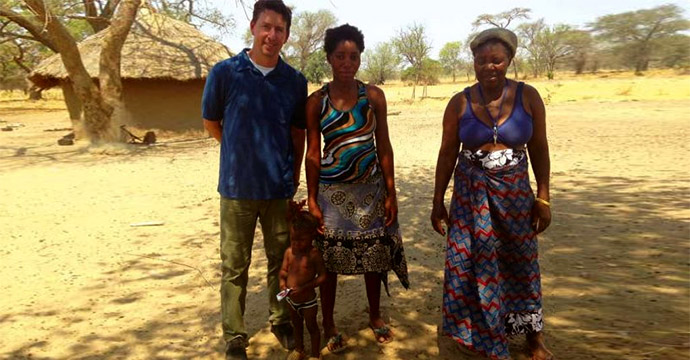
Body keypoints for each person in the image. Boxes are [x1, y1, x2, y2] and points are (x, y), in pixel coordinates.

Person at [430, 28, 554, 360]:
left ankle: (533, 338)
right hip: (471, 199)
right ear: (473, 63)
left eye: (497, 60)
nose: (489, 67)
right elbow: (446, 154)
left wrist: (542, 197)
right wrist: (437, 201)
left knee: (522, 263)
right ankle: (481, 333)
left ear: (509, 61)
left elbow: (539, 149)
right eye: (481, 60)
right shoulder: (459, 102)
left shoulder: (528, 97)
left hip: (515, 198)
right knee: (471, 264)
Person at [201, 1, 307, 359]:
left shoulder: (294, 82)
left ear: (287, 36)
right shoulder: (225, 73)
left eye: (279, 29)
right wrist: (239, 155)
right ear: (253, 26)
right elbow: (213, 124)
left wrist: (290, 177)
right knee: (234, 266)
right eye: (266, 26)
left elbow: (297, 133)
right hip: (236, 191)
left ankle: (281, 319)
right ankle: (235, 336)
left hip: (277, 190)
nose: (272, 35)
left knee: (280, 261)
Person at [304, 24, 409, 353]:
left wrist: (391, 193)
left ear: (360, 58)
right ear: (329, 59)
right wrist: (311, 198)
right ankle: (330, 322)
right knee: (330, 261)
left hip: (371, 191)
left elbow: (385, 147)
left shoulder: (373, 97)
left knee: (374, 257)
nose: (347, 62)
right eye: (340, 56)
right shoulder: (316, 102)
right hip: (331, 194)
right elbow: (312, 153)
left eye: (353, 56)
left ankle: (375, 315)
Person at [279, 200, 328, 360]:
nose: (296, 244)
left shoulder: (314, 255)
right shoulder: (289, 252)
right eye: (293, 239)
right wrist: (282, 284)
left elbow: (323, 276)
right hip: (291, 300)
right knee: (296, 326)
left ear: (312, 236)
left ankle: (315, 354)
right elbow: (283, 271)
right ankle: (299, 350)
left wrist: (307, 286)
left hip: (308, 301)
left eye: (301, 240)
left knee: (312, 326)